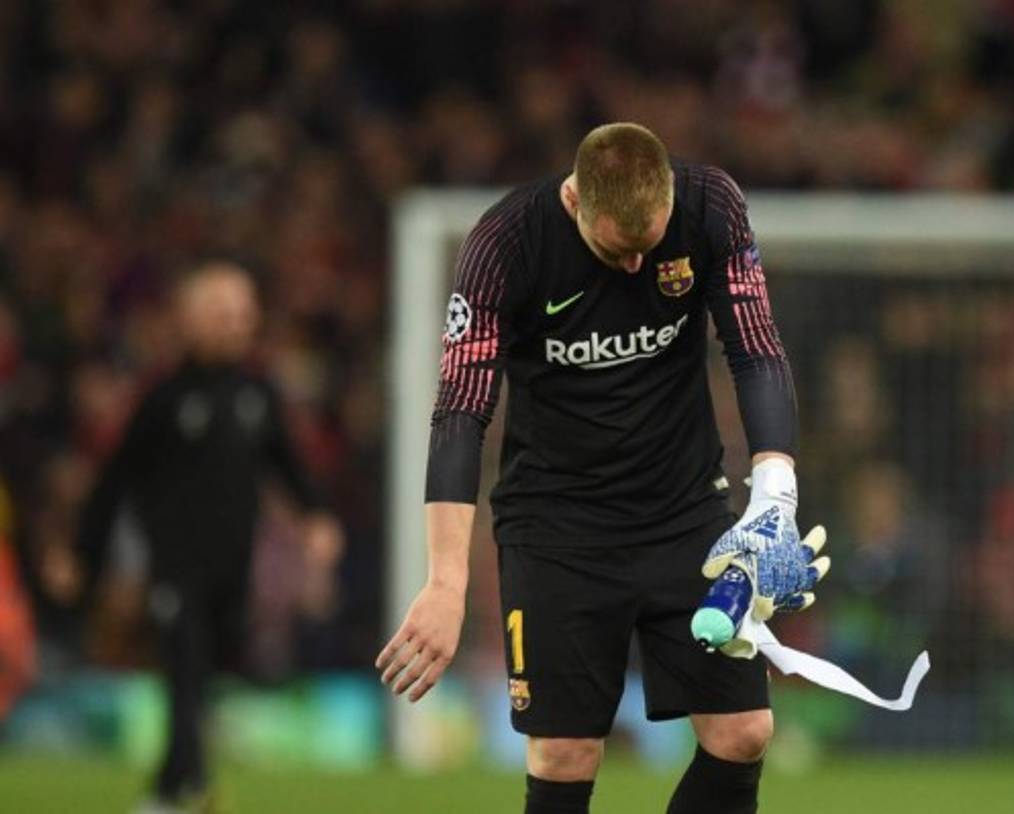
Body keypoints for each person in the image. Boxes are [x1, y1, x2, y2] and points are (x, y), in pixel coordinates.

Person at [377, 123, 825, 814]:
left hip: (684, 515)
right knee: (564, 754)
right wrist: (445, 582)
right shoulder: (504, 245)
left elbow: (757, 349)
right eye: (617, 250)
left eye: (649, 246)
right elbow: (460, 412)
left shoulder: (711, 205)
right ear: (573, 200)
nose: (636, 267)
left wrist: (774, 496)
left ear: (669, 195)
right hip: (557, 528)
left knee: (744, 732)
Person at [75, 262, 344, 812]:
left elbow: (287, 465)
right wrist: (85, 554)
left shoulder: (258, 394)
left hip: (234, 566)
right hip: (176, 566)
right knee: (185, 669)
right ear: (190, 319)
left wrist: (316, 516)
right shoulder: (164, 398)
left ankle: (169, 789)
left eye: (243, 314)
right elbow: (115, 480)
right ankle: (187, 789)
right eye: (223, 313)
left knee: (205, 673)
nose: (236, 324)